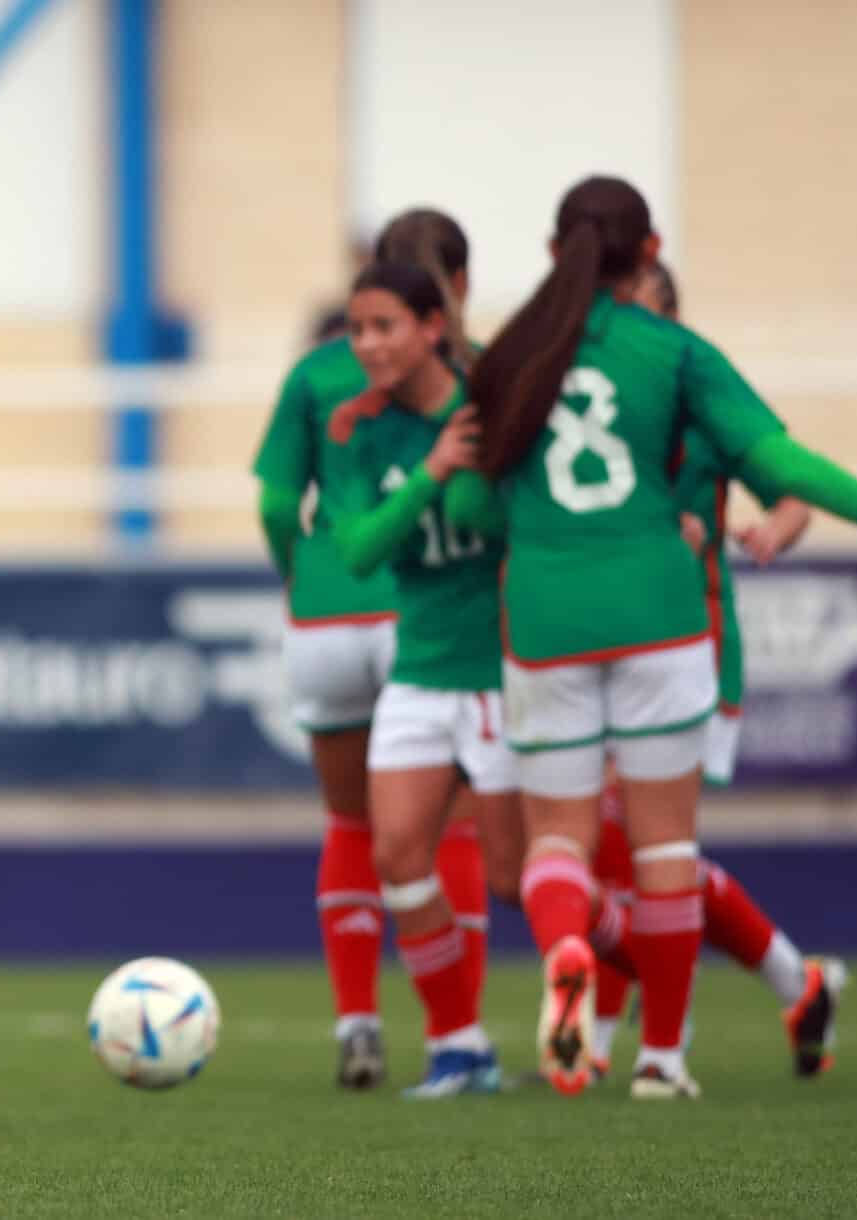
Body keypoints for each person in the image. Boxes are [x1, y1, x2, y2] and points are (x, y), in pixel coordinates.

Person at [449, 174, 857, 1099]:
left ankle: (570, 948)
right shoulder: (674, 353)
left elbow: (471, 502)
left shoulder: (512, 358)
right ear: (650, 253)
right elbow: (779, 464)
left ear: (554, 251)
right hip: (660, 615)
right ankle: (661, 1062)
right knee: (661, 849)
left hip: (547, 622)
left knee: (557, 842)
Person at [585, 261, 845, 1079]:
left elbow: (793, 482)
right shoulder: (589, 393)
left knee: (645, 843)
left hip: (685, 642)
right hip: (600, 640)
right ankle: (795, 980)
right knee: (623, 844)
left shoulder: (695, 388)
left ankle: (640, 1034)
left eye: (642, 309)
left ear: (672, 318)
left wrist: (774, 527)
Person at [252, 208, 490, 1089]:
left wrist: (297, 576)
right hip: (422, 616)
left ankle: (357, 1019)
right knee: (449, 830)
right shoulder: (463, 375)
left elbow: (279, 506)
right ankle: (457, 1032)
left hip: (323, 611)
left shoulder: (319, 372)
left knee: (353, 822)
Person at [322, 262, 506, 1098]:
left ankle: (651, 961)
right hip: (423, 668)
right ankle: (461, 1046)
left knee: (518, 876)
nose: (366, 344)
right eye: (357, 329)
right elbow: (358, 550)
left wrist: (470, 463)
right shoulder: (359, 430)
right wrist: (434, 469)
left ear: (434, 326)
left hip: (505, 670)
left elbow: (502, 522)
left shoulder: (497, 402)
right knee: (397, 853)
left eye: (383, 326)